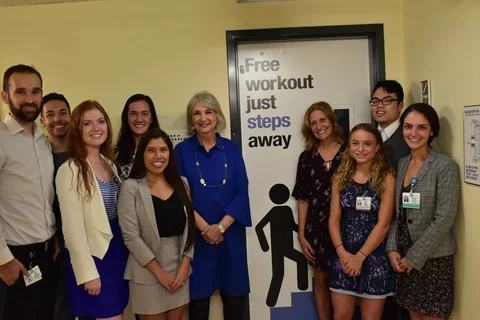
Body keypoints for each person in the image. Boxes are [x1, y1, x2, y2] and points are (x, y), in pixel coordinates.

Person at [175, 91, 252, 320]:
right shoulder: (182, 151)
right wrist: (206, 229)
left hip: (231, 234)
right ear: (191, 120)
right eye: (196, 113)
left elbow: (242, 190)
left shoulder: (232, 148)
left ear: (217, 116)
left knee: (235, 302)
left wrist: (220, 228)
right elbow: (181, 195)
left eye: (208, 112)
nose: (203, 118)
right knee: (198, 304)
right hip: (198, 238)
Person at [56, 100, 129, 319]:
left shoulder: (109, 163)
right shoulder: (70, 170)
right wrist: (87, 273)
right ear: (77, 130)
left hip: (116, 250)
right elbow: (72, 230)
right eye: (87, 123)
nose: (96, 128)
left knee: (118, 312)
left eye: (100, 121)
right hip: (94, 257)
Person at [387, 103, 459, 320]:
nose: (414, 133)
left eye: (421, 127)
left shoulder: (445, 166)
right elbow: (397, 213)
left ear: (432, 131)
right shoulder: (402, 163)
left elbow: (444, 219)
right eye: (408, 127)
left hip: (433, 259)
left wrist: (414, 257)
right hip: (404, 258)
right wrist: (392, 248)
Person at [118, 128, 195, 320]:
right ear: (142, 154)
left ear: (170, 153)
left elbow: (190, 227)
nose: (158, 156)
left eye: (163, 149)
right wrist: (159, 273)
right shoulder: (130, 188)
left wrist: (185, 264)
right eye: (151, 150)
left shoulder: (182, 184)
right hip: (147, 271)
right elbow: (131, 237)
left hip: (179, 269)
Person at [0, 64, 56, 320]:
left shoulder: (43, 141)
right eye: (20, 92)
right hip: (14, 258)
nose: (30, 99)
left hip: (45, 254)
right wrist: (3, 260)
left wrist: (52, 238)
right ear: (5, 96)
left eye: (35, 92)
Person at [329, 123, 396, 320]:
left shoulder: (387, 178)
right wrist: (343, 253)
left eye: (367, 144)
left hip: (374, 258)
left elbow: (384, 224)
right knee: (341, 316)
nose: (360, 149)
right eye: (355, 143)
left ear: (377, 147)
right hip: (344, 256)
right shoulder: (339, 178)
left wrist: (360, 257)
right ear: (349, 147)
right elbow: (333, 219)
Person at [292, 101, 346, 319]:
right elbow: (303, 199)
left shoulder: (351, 152)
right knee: (321, 282)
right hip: (317, 230)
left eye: (322, 120)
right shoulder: (306, 158)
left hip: (346, 227)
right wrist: (302, 234)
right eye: (313, 123)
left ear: (332, 121)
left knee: (345, 284)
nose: (318, 126)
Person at [116, 94, 161, 180]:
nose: (139, 119)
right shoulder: (116, 154)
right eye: (133, 114)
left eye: (145, 114)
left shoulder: (164, 150)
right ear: (126, 118)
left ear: (151, 118)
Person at [370, 80, 410, 170]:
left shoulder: (410, 137)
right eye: (375, 101)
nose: (380, 105)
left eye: (387, 100)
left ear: (400, 106)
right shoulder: (368, 134)